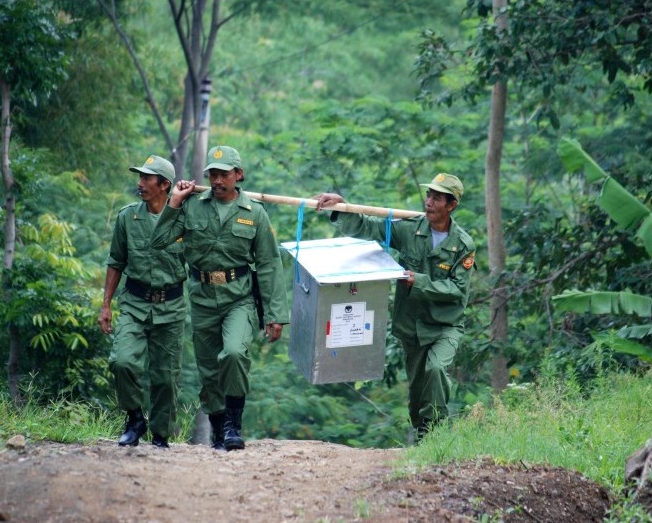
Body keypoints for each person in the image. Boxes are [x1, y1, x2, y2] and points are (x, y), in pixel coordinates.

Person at [314, 173, 475, 442]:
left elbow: (458, 292)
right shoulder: (410, 229)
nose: (429, 202)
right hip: (411, 326)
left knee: (435, 369)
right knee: (416, 392)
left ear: (451, 205)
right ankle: (422, 428)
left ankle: (435, 434)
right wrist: (342, 208)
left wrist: (419, 281)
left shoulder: (463, 245)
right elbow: (371, 227)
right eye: (429, 195)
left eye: (437, 198)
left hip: (445, 326)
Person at [151, 145, 289, 451]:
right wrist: (174, 202)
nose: (217, 180)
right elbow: (159, 241)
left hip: (238, 297)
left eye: (224, 174)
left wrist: (275, 314)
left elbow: (268, 264)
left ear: (238, 175)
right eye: (212, 174)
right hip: (201, 298)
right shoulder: (192, 206)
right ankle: (217, 429)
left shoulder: (254, 213)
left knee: (234, 354)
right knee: (209, 370)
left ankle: (233, 425)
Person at [98, 154, 188, 448]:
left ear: (165, 185)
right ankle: (135, 418)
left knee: (166, 377)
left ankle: (161, 435)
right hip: (135, 305)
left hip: (171, 308)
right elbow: (116, 261)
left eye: (147, 179)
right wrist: (106, 304)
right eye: (140, 178)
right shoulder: (127, 217)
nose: (140, 184)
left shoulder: (185, 219)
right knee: (122, 361)